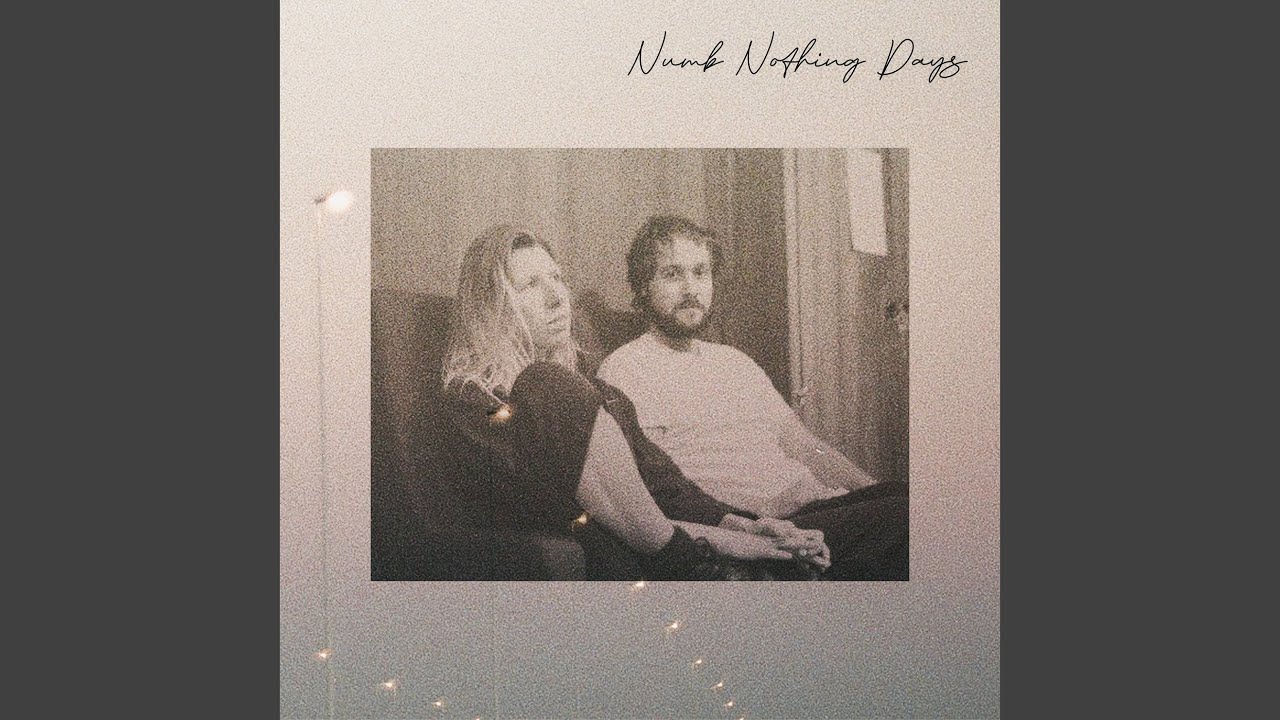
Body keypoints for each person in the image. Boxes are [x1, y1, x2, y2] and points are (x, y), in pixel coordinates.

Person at [439, 224, 830, 580]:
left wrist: (746, 527)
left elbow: (666, 490)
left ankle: (716, 558)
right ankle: (692, 560)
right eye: (530, 284)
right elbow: (571, 514)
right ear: (491, 304)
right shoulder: (471, 400)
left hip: (671, 547)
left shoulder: (601, 396)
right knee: (543, 381)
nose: (558, 298)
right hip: (617, 567)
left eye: (557, 279)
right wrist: (731, 545)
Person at [597, 215, 910, 580]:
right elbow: (663, 487)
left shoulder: (735, 361)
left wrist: (869, 488)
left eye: (701, 272)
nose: (691, 288)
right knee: (908, 518)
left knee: (908, 497)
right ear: (643, 286)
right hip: (761, 528)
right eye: (672, 274)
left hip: (812, 506)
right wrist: (763, 512)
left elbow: (806, 448)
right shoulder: (625, 370)